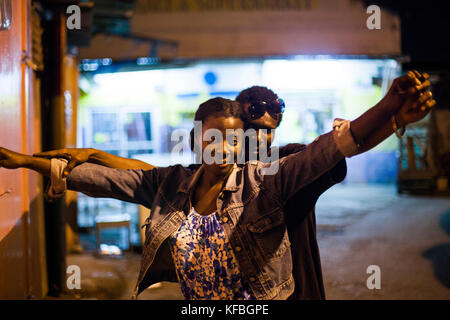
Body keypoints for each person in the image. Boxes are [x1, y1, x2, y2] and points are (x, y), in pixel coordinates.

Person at [0, 72, 435, 299]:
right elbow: (135, 177)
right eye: (242, 131)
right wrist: (41, 160)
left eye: (261, 132)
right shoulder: (177, 181)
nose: (247, 142)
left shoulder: (276, 171)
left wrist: (391, 111)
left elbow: (340, 145)